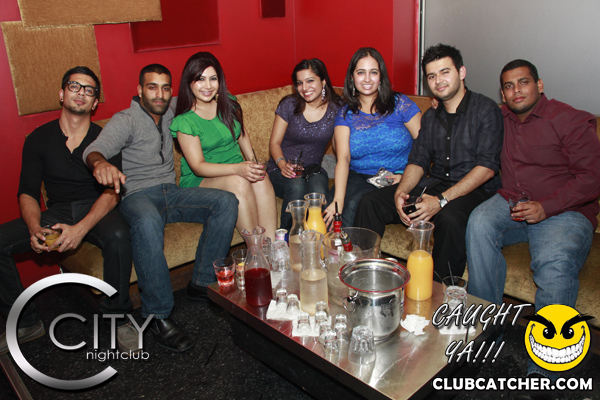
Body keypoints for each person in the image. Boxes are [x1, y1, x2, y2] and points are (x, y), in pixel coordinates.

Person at [83, 64, 238, 353]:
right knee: (147, 221)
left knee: (226, 201)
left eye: (166, 88)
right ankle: (158, 315)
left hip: (173, 192)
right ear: (140, 90)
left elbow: (205, 90)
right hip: (137, 196)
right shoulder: (126, 120)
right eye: (152, 87)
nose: (160, 94)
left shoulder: (172, 111)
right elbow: (94, 149)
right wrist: (100, 163)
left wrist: (221, 95)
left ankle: (202, 283)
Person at [466, 60, 600, 382]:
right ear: (503, 94)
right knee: (478, 223)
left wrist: (547, 206)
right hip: (512, 201)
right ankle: (486, 334)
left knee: (553, 264)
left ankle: (544, 370)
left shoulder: (569, 120)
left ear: (539, 85)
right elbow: (465, 114)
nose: (517, 90)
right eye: (509, 86)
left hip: (565, 210)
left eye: (523, 82)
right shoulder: (499, 119)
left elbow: (593, 177)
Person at [0, 67, 136, 354]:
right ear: (62, 94)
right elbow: (27, 192)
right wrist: (35, 228)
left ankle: (119, 316)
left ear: (94, 102)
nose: (81, 93)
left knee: (120, 236)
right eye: (75, 86)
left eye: (89, 90)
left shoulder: (106, 138)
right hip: (58, 210)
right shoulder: (38, 138)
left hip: (96, 206)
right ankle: (26, 323)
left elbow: (112, 193)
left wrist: (81, 230)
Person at [354, 44, 503, 280]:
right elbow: (418, 160)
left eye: (445, 72)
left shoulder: (486, 110)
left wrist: (441, 200)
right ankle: (364, 276)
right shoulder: (432, 116)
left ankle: (440, 290)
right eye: (432, 76)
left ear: (461, 72)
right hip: (436, 183)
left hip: (476, 190)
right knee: (370, 202)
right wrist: (401, 192)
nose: (438, 81)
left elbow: (486, 169)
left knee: (449, 218)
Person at [171, 52, 277, 240]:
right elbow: (198, 166)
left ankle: (271, 244)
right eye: (200, 79)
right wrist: (238, 169)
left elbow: (241, 132)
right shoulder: (185, 121)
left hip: (235, 169)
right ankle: (256, 249)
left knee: (261, 177)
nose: (208, 86)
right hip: (201, 179)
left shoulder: (228, 103)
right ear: (189, 82)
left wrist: (252, 163)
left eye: (213, 78)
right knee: (238, 181)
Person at [322, 47, 422, 228]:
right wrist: (338, 199)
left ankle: (353, 247)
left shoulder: (401, 104)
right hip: (358, 176)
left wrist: (406, 177)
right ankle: (330, 247)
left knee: (356, 206)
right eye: (361, 72)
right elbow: (343, 158)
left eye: (373, 72)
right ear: (352, 78)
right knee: (328, 211)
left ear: (381, 76)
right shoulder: (345, 114)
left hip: (397, 178)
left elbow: (425, 147)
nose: (367, 79)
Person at [268, 59, 342, 231]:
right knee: (297, 185)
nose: (304, 87)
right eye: (300, 83)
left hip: (313, 169)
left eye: (310, 81)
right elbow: (274, 142)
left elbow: (340, 146)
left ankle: (320, 238)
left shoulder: (337, 108)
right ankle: (287, 237)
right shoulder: (289, 105)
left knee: (318, 190)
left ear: (323, 81)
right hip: (281, 169)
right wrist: (282, 164)